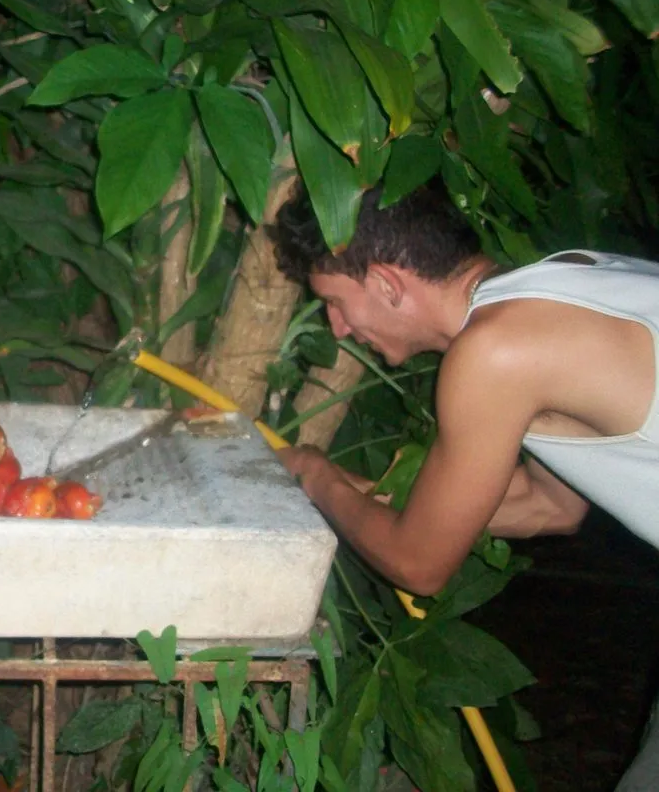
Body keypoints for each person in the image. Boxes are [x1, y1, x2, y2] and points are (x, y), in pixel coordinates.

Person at [269, 181, 659, 792]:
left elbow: (419, 564)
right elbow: (546, 505)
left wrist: (316, 476)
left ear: (387, 284)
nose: (338, 330)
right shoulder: (564, 284)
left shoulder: (495, 352)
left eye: (336, 303)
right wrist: (342, 485)